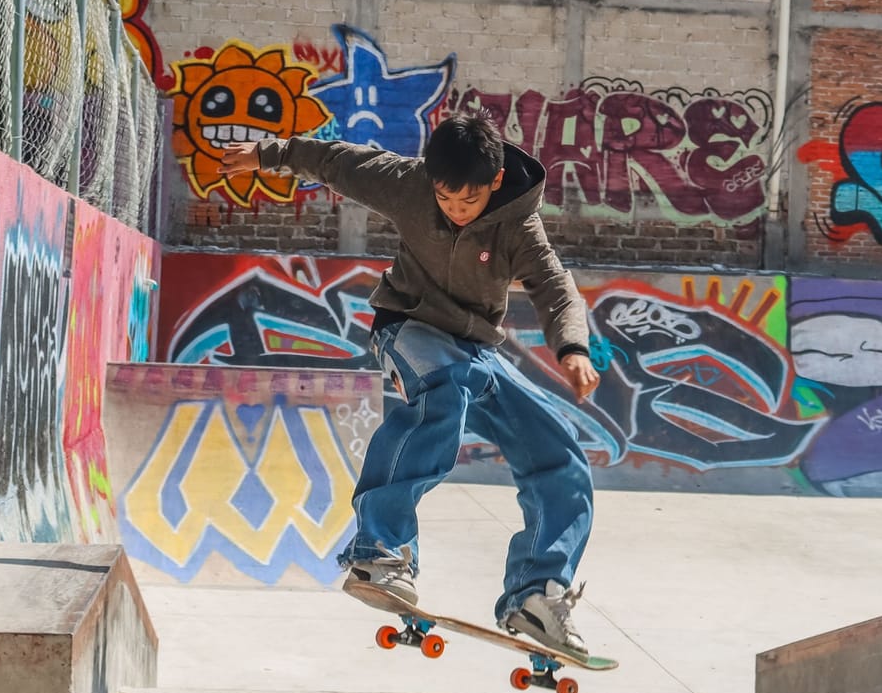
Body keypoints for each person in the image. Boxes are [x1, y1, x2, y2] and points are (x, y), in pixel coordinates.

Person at [219, 113, 599, 659]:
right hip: (407, 328)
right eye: (446, 199)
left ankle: (539, 592)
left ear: (495, 181)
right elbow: (335, 160)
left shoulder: (519, 224)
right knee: (443, 389)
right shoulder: (408, 184)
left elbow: (556, 288)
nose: (456, 210)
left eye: (469, 200)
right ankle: (382, 547)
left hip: (478, 349)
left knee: (559, 450)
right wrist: (268, 154)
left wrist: (573, 348)